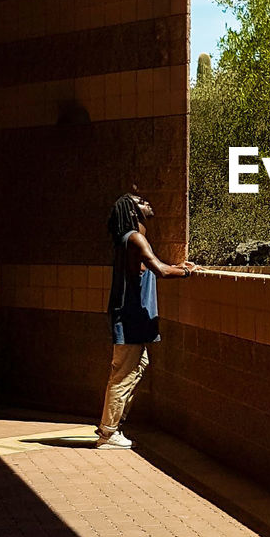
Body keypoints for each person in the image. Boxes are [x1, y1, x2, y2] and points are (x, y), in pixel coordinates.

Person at [96, 191, 196, 449]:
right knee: (123, 374)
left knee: (136, 367)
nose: (148, 203)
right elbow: (160, 270)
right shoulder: (135, 238)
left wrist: (178, 267)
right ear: (132, 211)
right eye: (141, 202)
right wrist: (186, 272)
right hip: (130, 319)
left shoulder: (129, 240)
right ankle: (107, 433)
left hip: (133, 319)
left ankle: (113, 427)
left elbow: (155, 266)